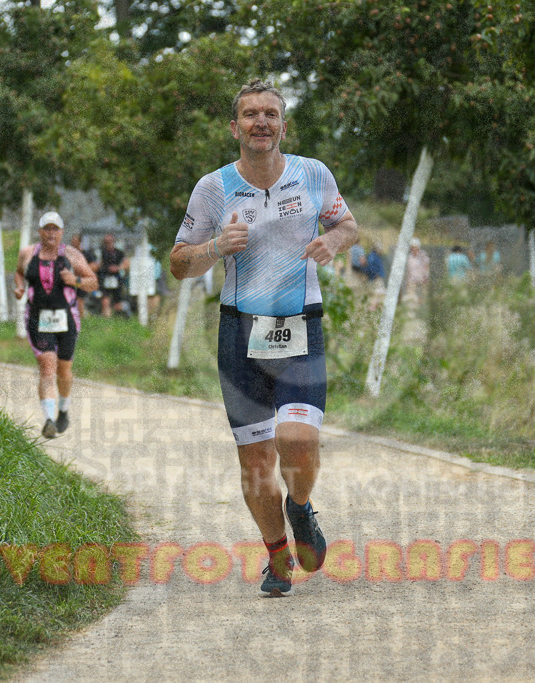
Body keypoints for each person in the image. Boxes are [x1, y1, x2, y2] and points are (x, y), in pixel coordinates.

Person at [170, 78, 358, 598]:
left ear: (282, 124)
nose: (261, 123)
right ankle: (277, 557)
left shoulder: (312, 174)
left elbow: (349, 226)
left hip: (300, 323)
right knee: (255, 460)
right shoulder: (213, 187)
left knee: (297, 438)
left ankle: (300, 510)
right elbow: (178, 263)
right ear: (235, 128)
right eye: (250, 115)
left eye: (270, 114)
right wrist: (213, 247)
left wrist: (331, 242)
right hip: (239, 332)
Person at [14, 211, 98, 439]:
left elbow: (93, 281)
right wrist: (19, 289)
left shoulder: (72, 255)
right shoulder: (27, 254)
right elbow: (19, 273)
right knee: (47, 367)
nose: (51, 233)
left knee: (64, 370)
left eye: (55, 229)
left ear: (61, 232)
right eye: (47, 229)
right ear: (40, 231)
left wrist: (76, 280)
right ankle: (49, 420)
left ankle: (63, 411)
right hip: (37, 319)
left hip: (67, 319)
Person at [97, 234, 128, 318]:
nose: (108, 244)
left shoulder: (119, 252)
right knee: (105, 297)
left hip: (116, 278)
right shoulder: (101, 252)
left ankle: (118, 316)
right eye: (106, 242)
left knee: (117, 298)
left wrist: (118, 268)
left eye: (110, 242)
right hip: (105, 277)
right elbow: (98, 264)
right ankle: (107, 315)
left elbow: (126, 263)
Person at [70, 233, 97, 318]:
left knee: (79, 297)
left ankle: (80, 316)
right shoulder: (67, 254)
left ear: (79, 242)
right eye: (72, 241)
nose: (74, 243)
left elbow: (94, 266)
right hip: (69, 279)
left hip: (80, 280)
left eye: (75, 241)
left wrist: (82, 271)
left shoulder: (86, 254)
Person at [404, 237, 430, 305]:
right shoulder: (409, 257)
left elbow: (426, 266)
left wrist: (426, 277)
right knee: (411, 299)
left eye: (415, 247)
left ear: (418, 247)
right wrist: (408, 281)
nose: (414, 249)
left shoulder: (423, 254)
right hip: (412, 281)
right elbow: (409, 270)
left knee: (423, 299)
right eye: (412, 247)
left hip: (423, 280)